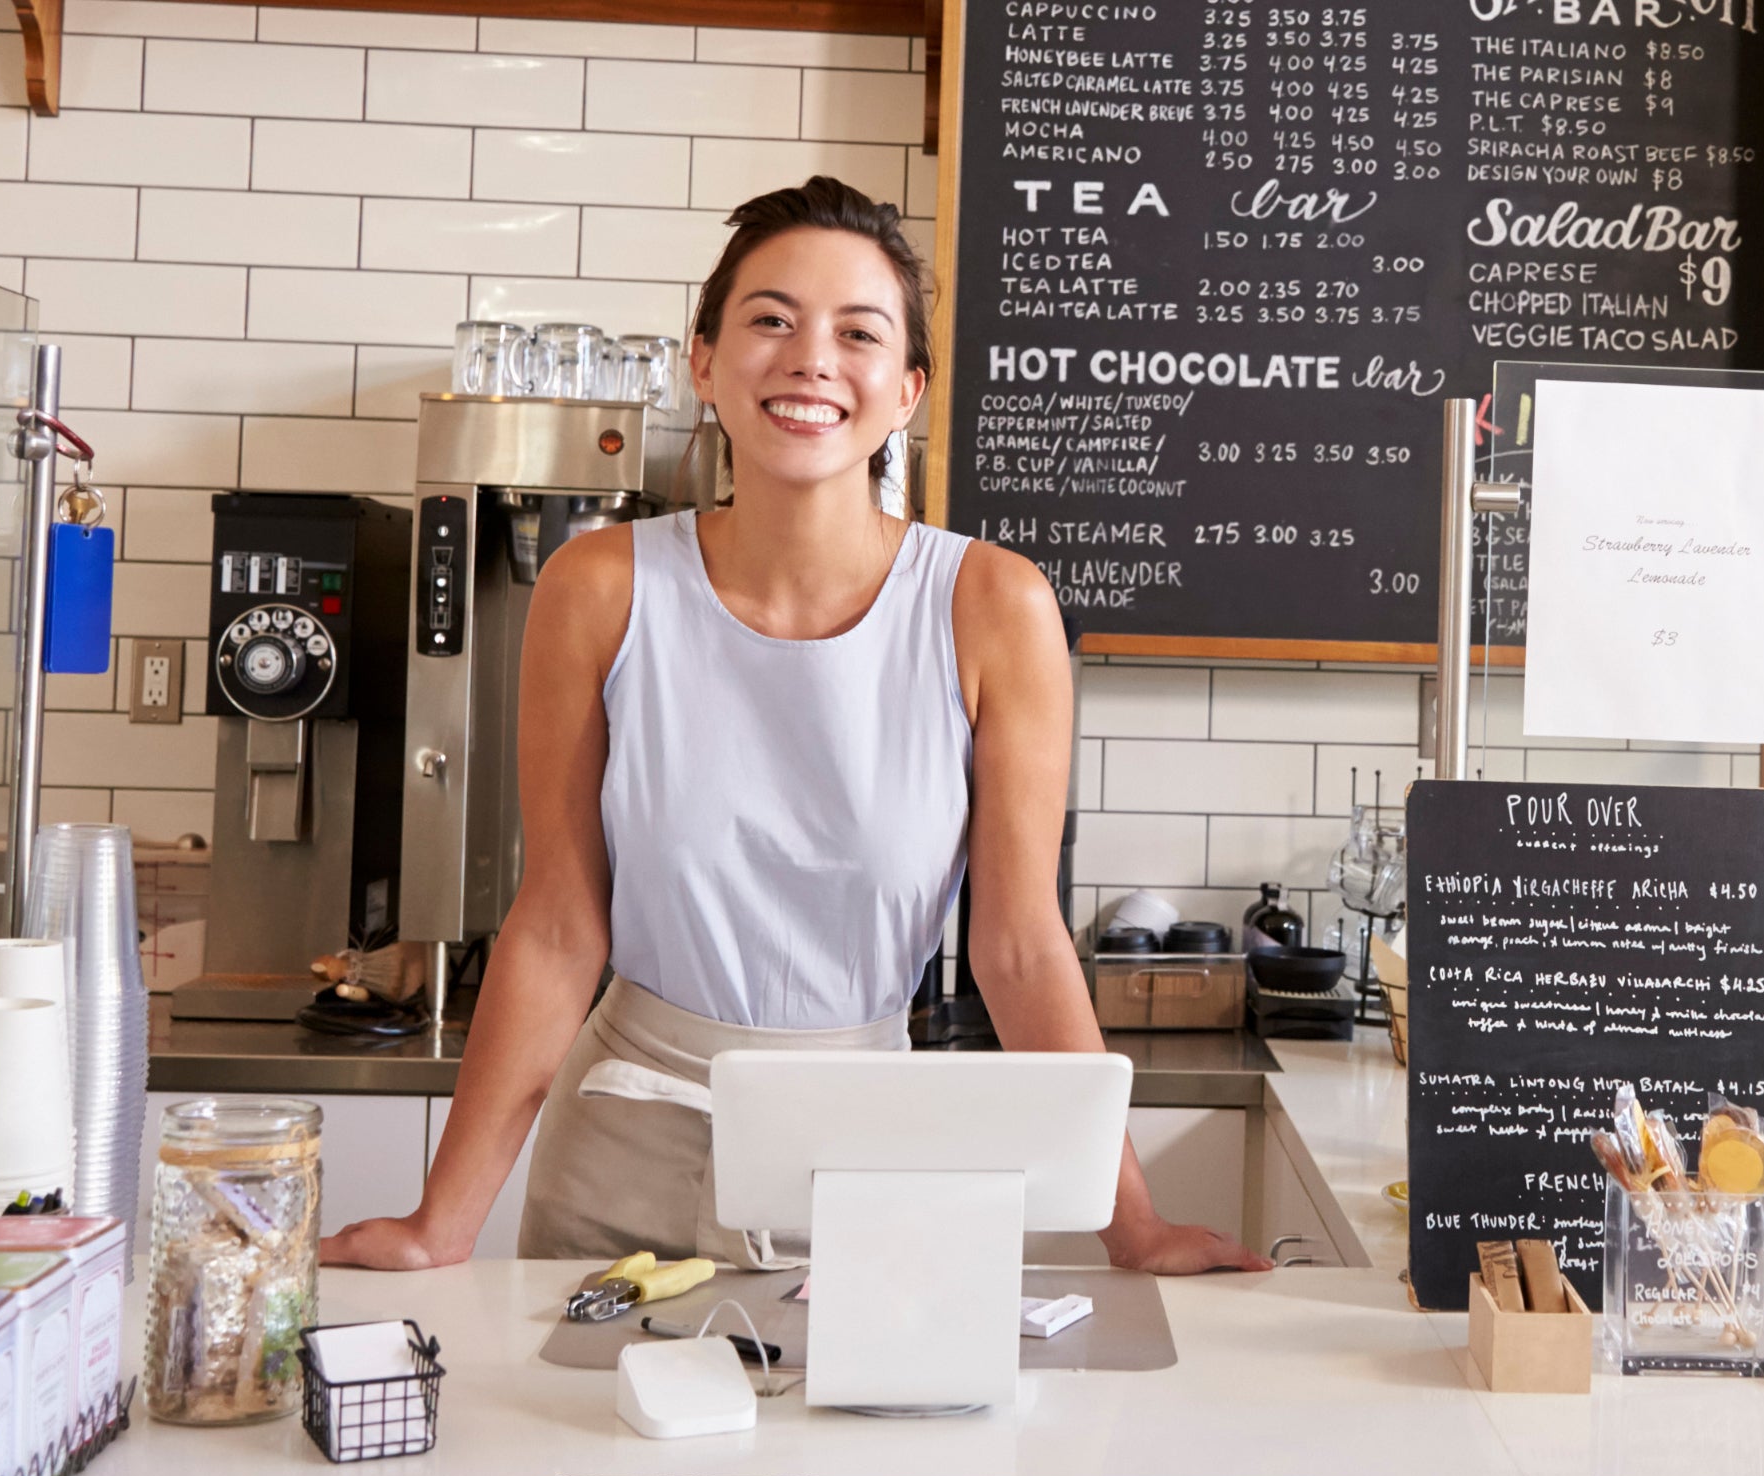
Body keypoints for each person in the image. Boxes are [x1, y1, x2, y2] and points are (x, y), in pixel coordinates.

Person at [326, 176, 1267, 1277]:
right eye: (769, 320)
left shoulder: (995, 608)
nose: (811, 359)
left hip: (861, 1154)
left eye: (857, 333)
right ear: (704, 363)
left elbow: (1015, 946)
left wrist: (1135, 1226)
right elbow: (555, 927)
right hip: (621, 1146)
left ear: (906, 390)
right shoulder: (599, 587)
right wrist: (441, 1223)